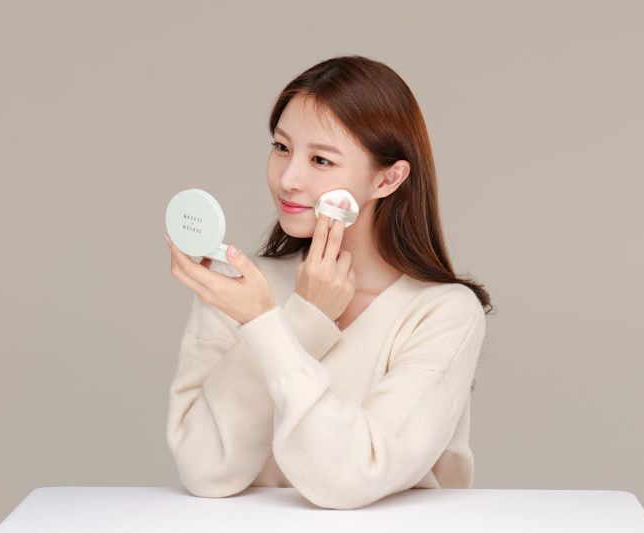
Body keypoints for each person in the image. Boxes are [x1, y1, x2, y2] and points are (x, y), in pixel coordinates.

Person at [165, 55, 495, 510]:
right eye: (281, 147)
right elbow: (206, 470)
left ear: (388, 178)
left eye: (321, 159)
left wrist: (269, 325)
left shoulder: (443, 313)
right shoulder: (239, 287)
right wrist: (301, 317)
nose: (289, 179)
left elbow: (350, 479)